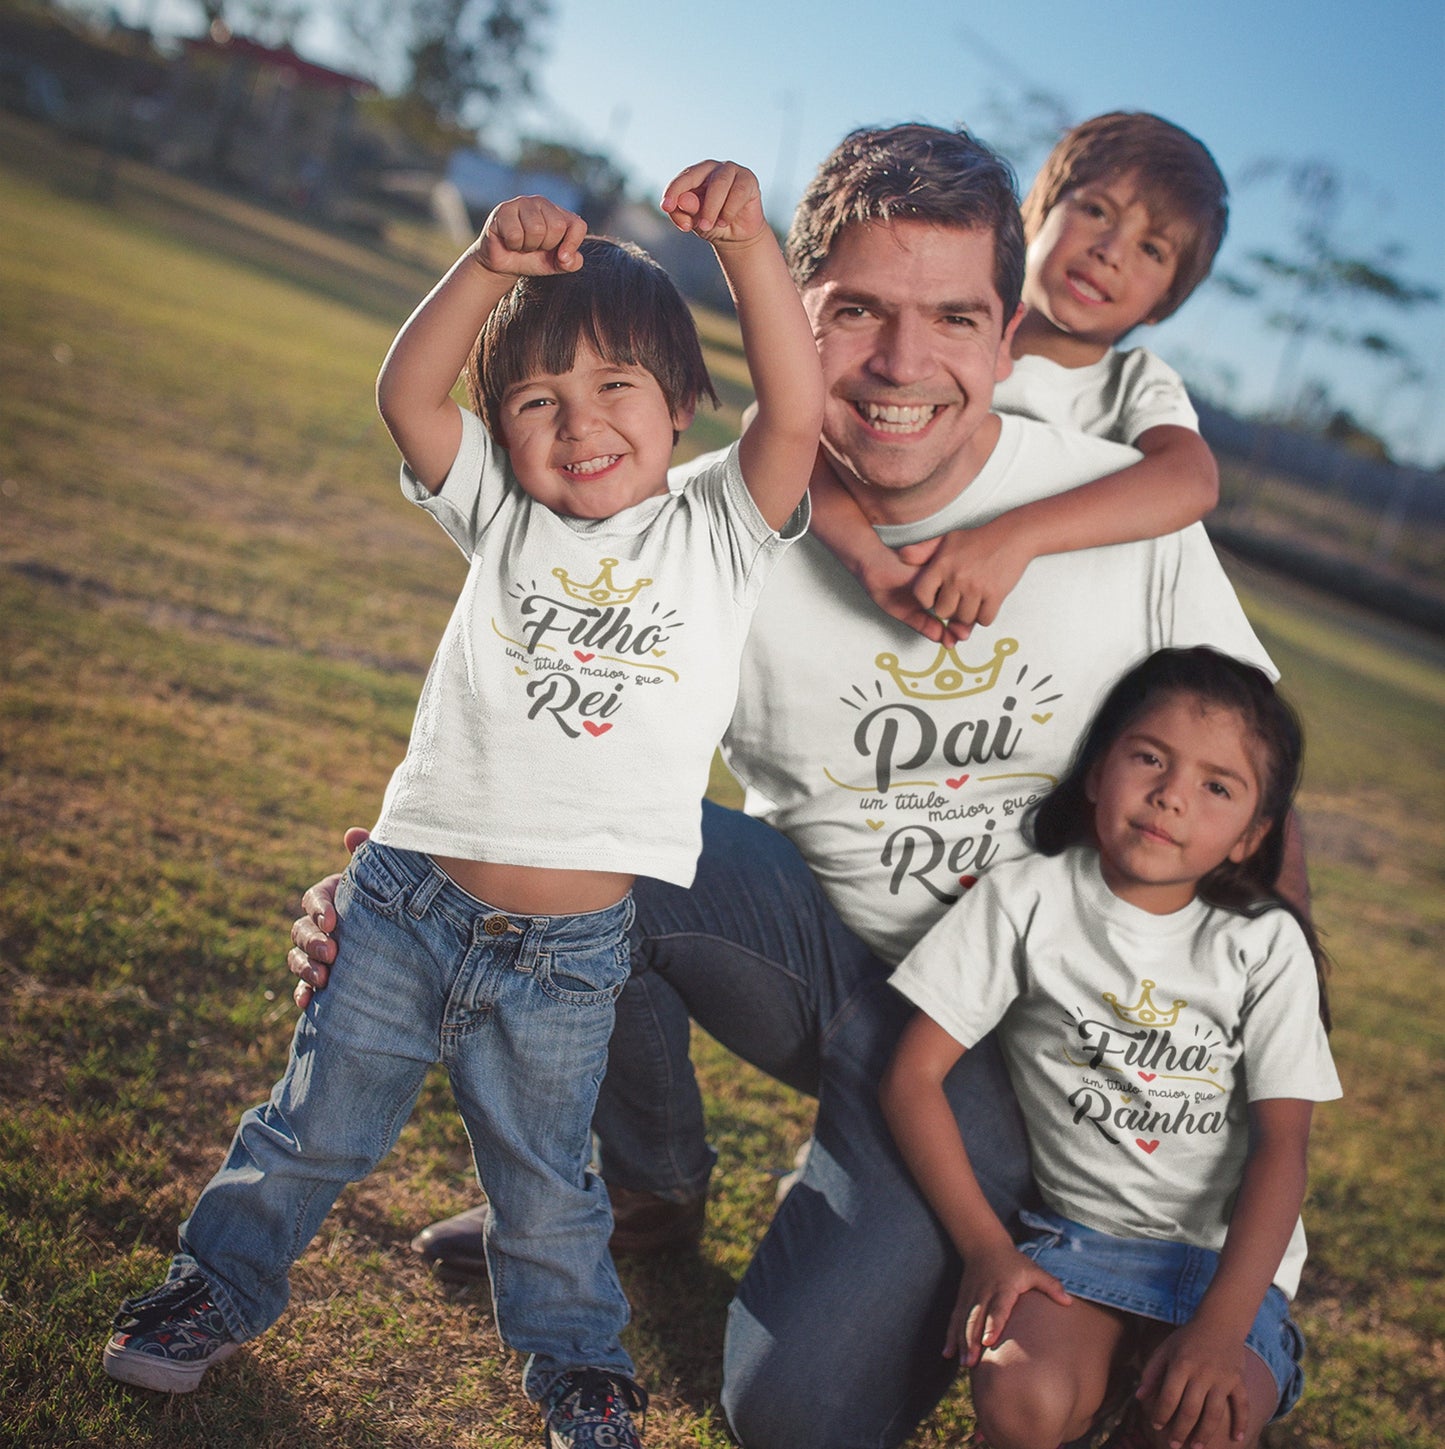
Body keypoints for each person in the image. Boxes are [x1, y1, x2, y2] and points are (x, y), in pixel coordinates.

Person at [291, 124, 1304, 1448]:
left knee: (796, 1418)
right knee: (613, 862)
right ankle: (647, 1188)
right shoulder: (692, 523)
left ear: (1009, 339)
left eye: (952, 317)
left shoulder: (1122, 516)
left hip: (1005, 1053)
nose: (900, 362)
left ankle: (1026, 1289)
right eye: (855, 313)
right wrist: (390, 883)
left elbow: (1259, 817)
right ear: (784, 316)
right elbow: (533, 738)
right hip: (821, 952)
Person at [101, 160, 820, 1449]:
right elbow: (405, 392)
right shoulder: (503, 511)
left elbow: (796, 410)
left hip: (569, 953)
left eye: (615, 389)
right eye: (536, 399)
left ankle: (578, 1373)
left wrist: (752, 250)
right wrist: (487, 263)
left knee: (547, 1188)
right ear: (503, 425)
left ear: (682, 406)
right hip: (406, 906)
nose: (577, 422)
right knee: (308, 1129)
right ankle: (210, 1291)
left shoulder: (717, 527)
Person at [882, 646, 1338, 1449]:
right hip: (1081, 1242)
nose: (1170, 794)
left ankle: (1165, 1394)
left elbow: (1281, 1147)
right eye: (1149, 757)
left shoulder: (1262, 944)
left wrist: (1222, 1328)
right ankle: (1093, 1388)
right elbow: (912, 1077)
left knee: (1201, 1423)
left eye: (1215, 786)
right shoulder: (1028, 897)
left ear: (1249, 834)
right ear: (1097, 770)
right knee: (1024, 1399)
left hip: (1219, 1269)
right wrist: (987, 1249)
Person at [808, 111, 1228, 647]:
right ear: (1037, 212)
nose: (1111, 251)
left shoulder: (1133, 383)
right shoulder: (938, 347)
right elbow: (786, 434)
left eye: (1152, 249)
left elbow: (1192, 480)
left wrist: (1013, 538)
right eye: (1097, 211)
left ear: (1164, 304)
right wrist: (870, 562)